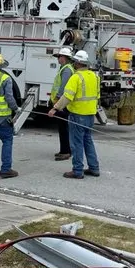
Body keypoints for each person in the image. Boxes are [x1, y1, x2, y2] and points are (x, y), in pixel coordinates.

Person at [48, 49, 100, 179]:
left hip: (77, 115)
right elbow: (97, 96)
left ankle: (77, 170)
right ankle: (94, 168)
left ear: (77, 62)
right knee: (88, 141)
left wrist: (55, 108)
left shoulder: (75, 77)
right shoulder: (95, 76)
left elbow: (67, 97)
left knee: (77, 143)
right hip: (90, 115)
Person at [48, 46, 74, 161]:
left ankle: (66, 151)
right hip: (63, 103)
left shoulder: (67, 69)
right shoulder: (65, 68)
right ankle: (65, 150)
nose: (58, 59)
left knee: (63, 128)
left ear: (64, 58)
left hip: (62, 103)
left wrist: (57, 101)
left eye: (59, 56)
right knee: (63, 127)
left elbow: (63, 87)